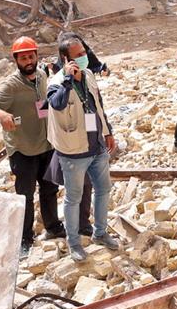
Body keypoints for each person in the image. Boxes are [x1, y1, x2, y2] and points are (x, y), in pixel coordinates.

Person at [45, 34, 120, 258]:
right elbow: (56, 104)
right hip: (73, 151)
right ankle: (74, 243)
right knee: (73, 198)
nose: (83, 58)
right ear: (64, 58)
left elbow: (98, 104)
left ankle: (100, 232)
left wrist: (107, 131)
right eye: (78, 55)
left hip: (96, 145)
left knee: (103, 189)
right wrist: (68, 80)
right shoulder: (56, 82)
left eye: (84, 53)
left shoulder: (87, 74)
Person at [0, 36, 61, 253]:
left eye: (31, 56)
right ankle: (24, 239)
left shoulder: (42, 75)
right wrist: (1, 114)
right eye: (23, 57)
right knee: (24, 196)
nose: (28, 60)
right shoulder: (12, 85)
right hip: (23, 149)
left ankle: (53, 226)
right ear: (16, 60)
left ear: (36, 56)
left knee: (50, 189)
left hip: (46, 144)